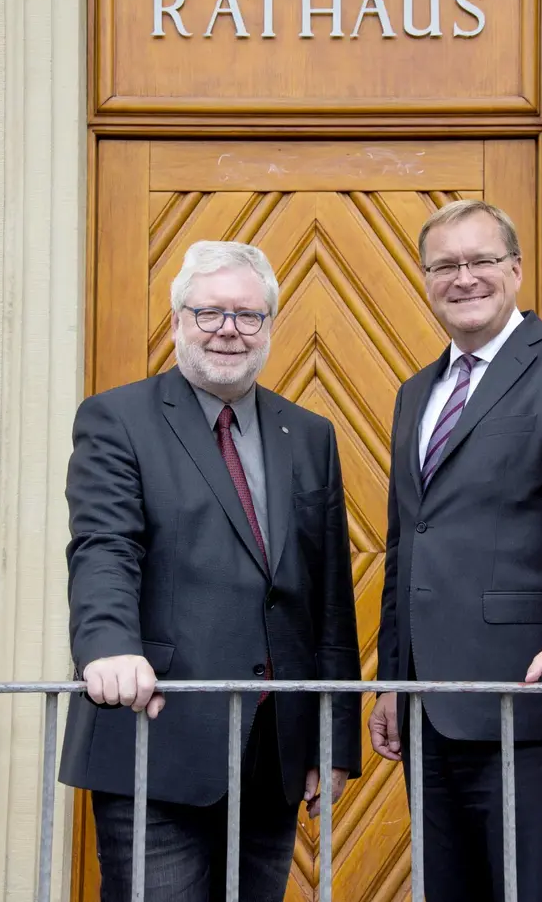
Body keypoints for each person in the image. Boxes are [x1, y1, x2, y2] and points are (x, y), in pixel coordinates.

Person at [59, 240, 361, 902]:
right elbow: (106, 547)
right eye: (209, 312)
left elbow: (329, 595)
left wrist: (333, 736)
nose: (228, 329)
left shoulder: (309, 434)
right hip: (155, 735)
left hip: (273, 755)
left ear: (269, 327)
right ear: (176, 323)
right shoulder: (117, 418)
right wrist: (107, 647)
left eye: (247, 315)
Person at [368, 200, 542, 902]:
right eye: (445, 265)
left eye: (482, 260)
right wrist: (395, 678)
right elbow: (407, 543)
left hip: (532, 694)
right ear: (426, 279)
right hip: (432, 705)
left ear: (515, 269)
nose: (464, 278)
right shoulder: (415, 392)